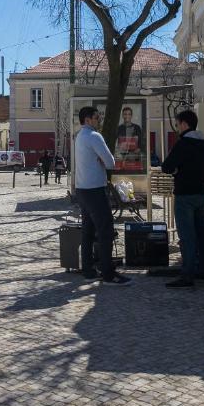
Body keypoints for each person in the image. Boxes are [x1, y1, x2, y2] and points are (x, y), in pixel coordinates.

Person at [74, 106, 132, 286]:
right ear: (88, 119)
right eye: (96, 117)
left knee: (88, 230)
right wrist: (101, 160)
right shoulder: (94, 136)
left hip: (82, 188)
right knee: (106, 230)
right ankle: (108, 274)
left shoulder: (79, 136)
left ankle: (89, 270)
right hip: (95, 189)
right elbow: (110, 162)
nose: (98, 120)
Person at [161, 110, 204, 289]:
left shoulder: (183, 143)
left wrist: (177, 171)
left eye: (177, 125)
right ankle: (203, 269)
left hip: (185, 195)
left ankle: (187, 274)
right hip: (201, 193)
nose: (176, 128)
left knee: (187, 236)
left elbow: (167, 166)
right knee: (201, 233)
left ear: (184, 124)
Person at [115, 106, 145, 171]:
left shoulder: (137, 128)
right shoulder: (119, 128)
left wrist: (138, 149)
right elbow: (116, 143)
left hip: (134, 156)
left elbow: (141, 142)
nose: (127, 116)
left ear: (131, 116)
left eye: (129, 114)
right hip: (122, 156)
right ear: (122, 115)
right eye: (125, 114)